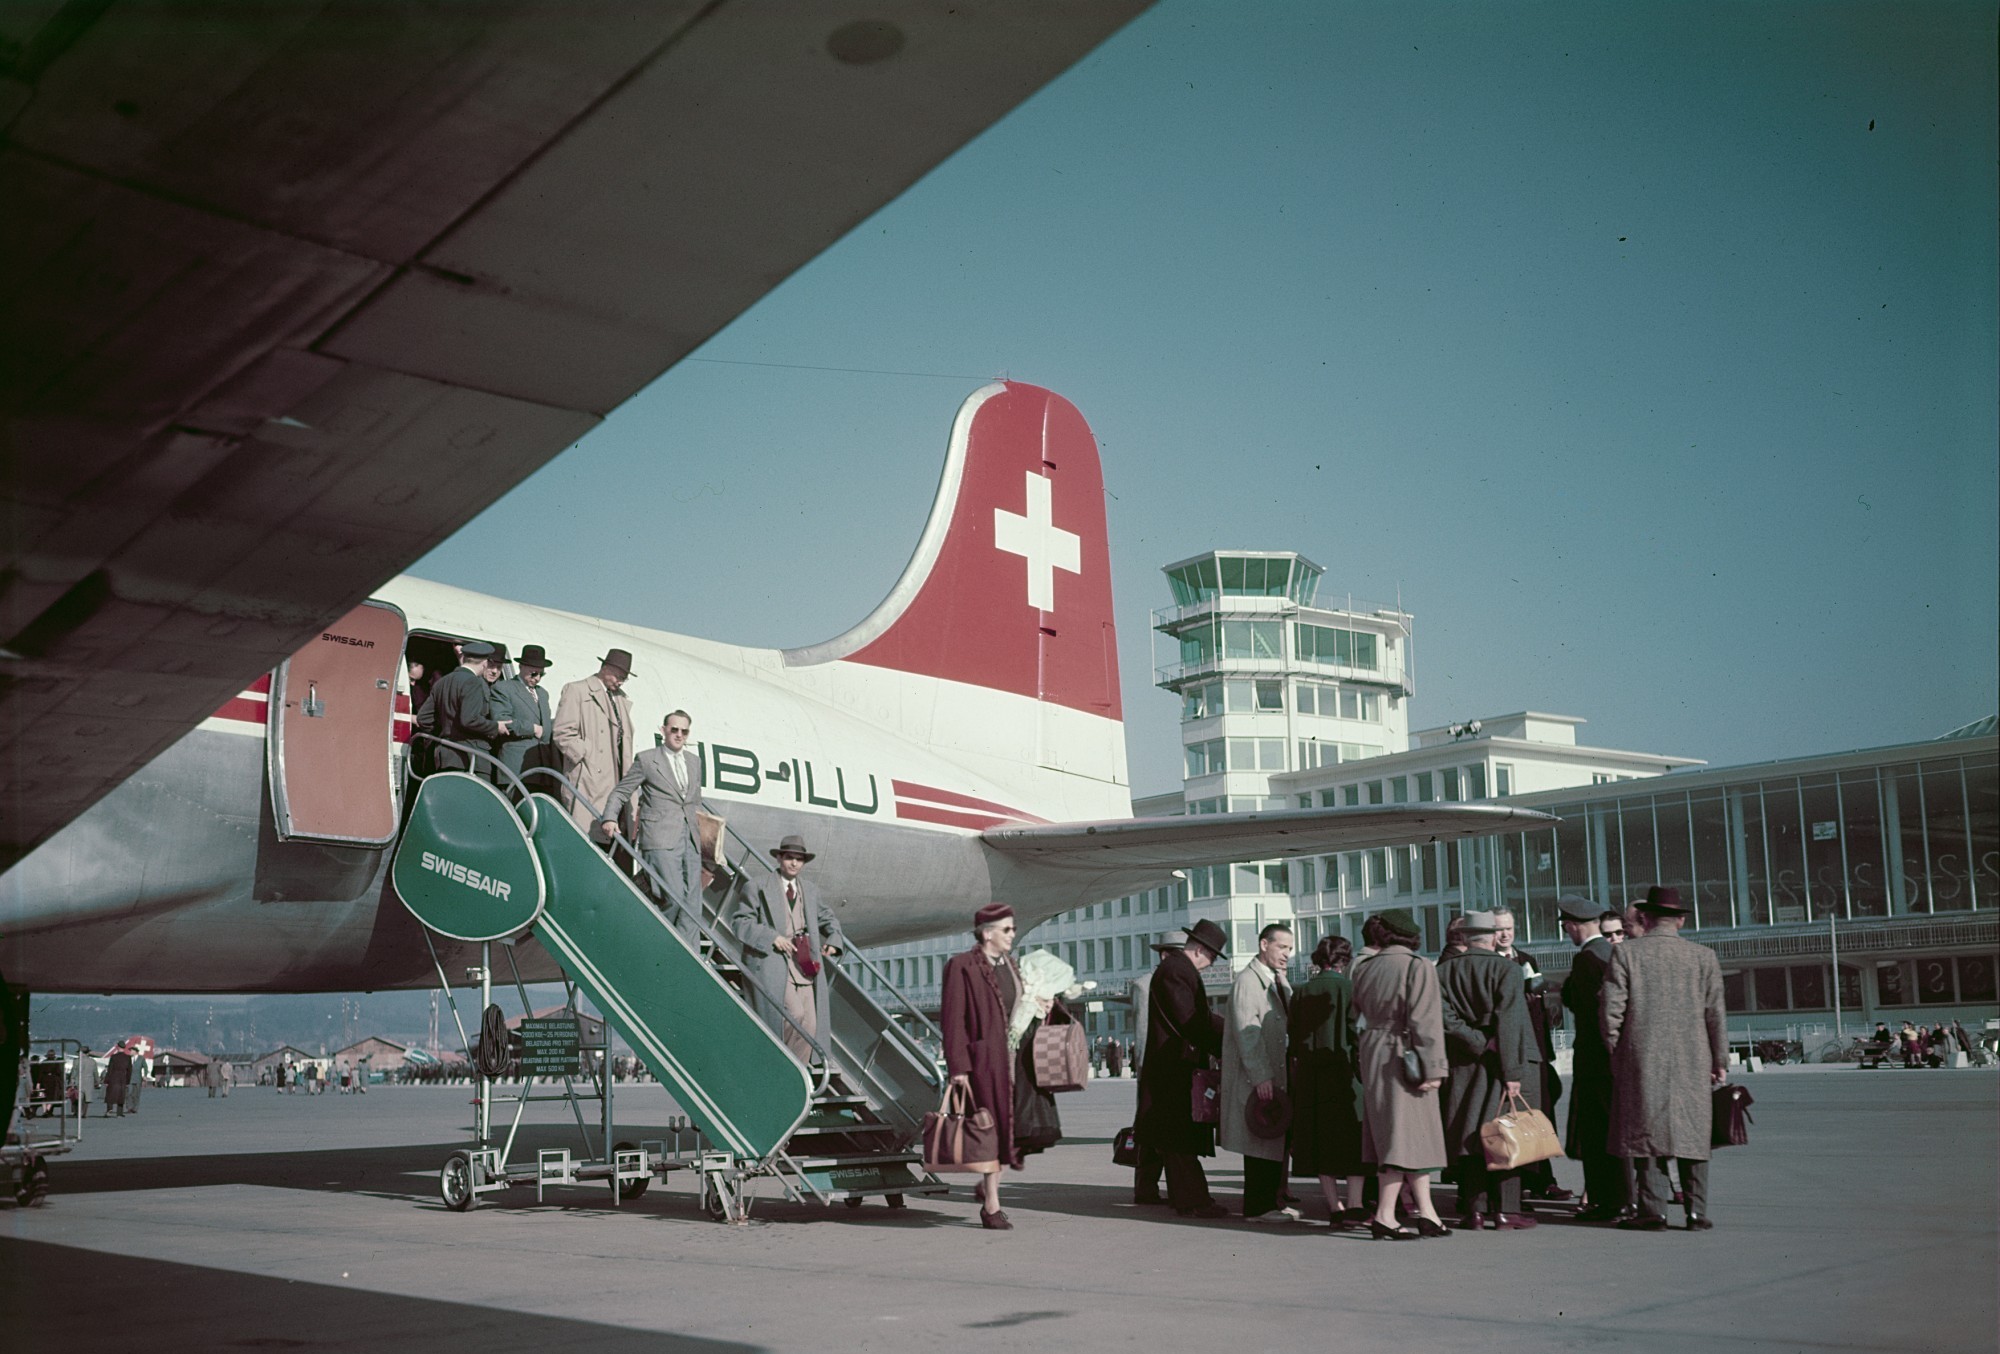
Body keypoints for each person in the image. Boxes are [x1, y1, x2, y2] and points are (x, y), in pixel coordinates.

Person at [1602, 885, 1728, 1231]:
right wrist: (1719, 1060)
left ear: (1645, 917)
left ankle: (1653, 1211)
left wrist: (1618, 1051)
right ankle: (1696, 1212)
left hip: (1641, 1058)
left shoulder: (1626, 954)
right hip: (1693, 1059)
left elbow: (1611, 1013)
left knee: (1646, 1133)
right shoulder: (1703, 957)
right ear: (1681, 920)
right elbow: (1715, 1014)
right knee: (1693, 1134)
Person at [1350, 907, 1450, 1240]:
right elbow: (1426, 1021)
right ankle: (1385, 1215)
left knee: (1399, 1135)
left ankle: (1428, 1213)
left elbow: (1356, 1015)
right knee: (1403, 1137)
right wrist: (1434, 1067)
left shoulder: (1365, 968)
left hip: (1374, 1049)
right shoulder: (1417, 966)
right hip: (1405, 1052)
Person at [1437, 910, 1538, 1231]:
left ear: (1464, 937)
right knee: (1505, 1131)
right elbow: (1510, 1023)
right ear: (1493, 936)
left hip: (1462, 1061)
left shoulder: (1442, 972)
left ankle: (1473, 1209)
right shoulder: (1507, 970)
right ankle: (1506, 1209)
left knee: (1467, 1132)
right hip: (1499, 1063)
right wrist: (1512, 1072)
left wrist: (1474, 1041)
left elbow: (1445, 1019)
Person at [939, 902, 1026, 1229]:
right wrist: (958, 1067)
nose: (1012, 934)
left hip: (1011, 1061)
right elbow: (953, 1020)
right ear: (987, 933)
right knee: (991, 1130)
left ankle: (988, 1186)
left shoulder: (1009, 966)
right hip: (982, 1063)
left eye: (1013, 928)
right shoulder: (962, 966)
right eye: (1007, 929)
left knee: (1007, 1130)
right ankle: (991, 1205)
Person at [1134, 920, 1229, 1219]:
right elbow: (1190, 1019)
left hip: (1172, 1067)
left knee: (1175, 1139)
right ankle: (1193, 1200)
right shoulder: (1178, 971)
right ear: (1200, 949)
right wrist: (1225, 1040)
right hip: (1174, 1069)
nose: (1211, 964)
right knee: (1178, 1138)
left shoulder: (1175, 969)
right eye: (1212, 957)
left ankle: (1186, 1198)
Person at [727, 834, 846, 1061]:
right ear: (779, 858)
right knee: (795, 1014)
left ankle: (796, 1071)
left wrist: (833, 940)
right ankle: (784, 1065)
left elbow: (828, 919)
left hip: (803, 965)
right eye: (789, 858)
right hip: (773, 963)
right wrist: (772, 937)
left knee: (810, 1025)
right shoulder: (758, 886)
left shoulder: (809, 891)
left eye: (799, 859)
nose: (794, 863)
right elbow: (740, 923)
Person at [1559, 894, 1630, 1222]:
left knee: (1597, 1131)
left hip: (1594, 1058)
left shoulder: (1587, 959)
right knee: (1614, 1131)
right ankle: (1621, 1199)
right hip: (1614, 1059)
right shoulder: (1613, 953)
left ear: (1572, 926)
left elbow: (1586, 1007)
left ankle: (1607, 1202)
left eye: (1567, 928)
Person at [601, 711, 704, 932]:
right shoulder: (647, 760)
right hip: (660, 838)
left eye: (684, 731)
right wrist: (609, 818)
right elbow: (621, 792)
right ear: (663, 730)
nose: (678, 735)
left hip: (690, 840)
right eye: (674, 729)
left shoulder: (694, 762)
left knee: (693, 909)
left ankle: (689, 962)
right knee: (672, 897)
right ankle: (652, 940)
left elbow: (695, 802)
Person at [1290, 934, 1366, 1227]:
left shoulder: (1301, 992)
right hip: (1346, 1075)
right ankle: (1356, 1204)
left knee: (1321, 1143)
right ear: (1344, 961)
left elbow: (1294, 1038)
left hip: (1312, 1078)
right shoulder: (1350, 989)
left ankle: (1335, 1207)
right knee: (1354, 1141)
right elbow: (1357, 1035)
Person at [1223, 922, 1297, 1220]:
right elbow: (1247, 1033)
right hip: (1260, 1078)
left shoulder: (1272, 979)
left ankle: (1270, 1202)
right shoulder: (1248, 982)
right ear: (1264, 944)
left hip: (1272, 1075)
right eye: (1282, 947)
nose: (1287, 954)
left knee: (1269, 1137)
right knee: (1258, 1140)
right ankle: (1259, 1206)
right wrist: (1261, 1074)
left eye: (1290, 949)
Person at [1494, 907, 1567, 1203]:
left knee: (1539, 1117)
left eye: (1509, 928)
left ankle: (1542, 1179)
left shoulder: (1526, 961)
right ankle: (1517, 1184)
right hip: (1508, 1053)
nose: (1505, 934)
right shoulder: (1493, 964)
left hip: (1535, 1051)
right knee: (1511, 1120)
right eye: (1499, 928)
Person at [1128, 929, 1187, 1205]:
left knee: (1161, 1129)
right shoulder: (1145, 985)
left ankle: (1159, 1187)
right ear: (1165, 955)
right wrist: (1143, 1072)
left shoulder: (1180, 982)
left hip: (1173, 1068)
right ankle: (1145, 1187)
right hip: (1152, 1070)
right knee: (1149, 1128)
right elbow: (1142, 1032)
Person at [552, 649, 638, 836]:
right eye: (619, 676)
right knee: (586, 834)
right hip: (589, 778)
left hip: (615, 777)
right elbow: (562, 732)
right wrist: (587, 754)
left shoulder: (620, 699)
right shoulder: (577, 690)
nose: (621, 681)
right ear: (605, 668)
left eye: (624, 678)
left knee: (610, 834)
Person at [415, 641, 512, 774]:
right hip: (470, 757)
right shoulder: (473, 682)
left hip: (445, 755)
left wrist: (446, 733)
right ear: (484, 663)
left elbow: (423, 718)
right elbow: (469, 720)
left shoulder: (443, 681)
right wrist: (496, 726)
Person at [491, 644, 555, 784]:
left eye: (541, 674)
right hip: (516, 767)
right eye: (534, 673)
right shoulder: (504, 688)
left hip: (542, 767)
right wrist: (533, 728)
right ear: (521, 667)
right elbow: (501, 720)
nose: (537, 678)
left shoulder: (543, 693)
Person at [104, 1043, 133, 1117]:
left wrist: (107, 1080)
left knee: (110, 1094)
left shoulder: (113, 1057)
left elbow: (110, 1069)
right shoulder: (128, 1057)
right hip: (123, 1077)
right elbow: (129, 1070)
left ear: (117, 1047)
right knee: (121, 1095)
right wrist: (128, 1081)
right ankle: (119, 1112)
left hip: (114, 1077)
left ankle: (109, 1109)